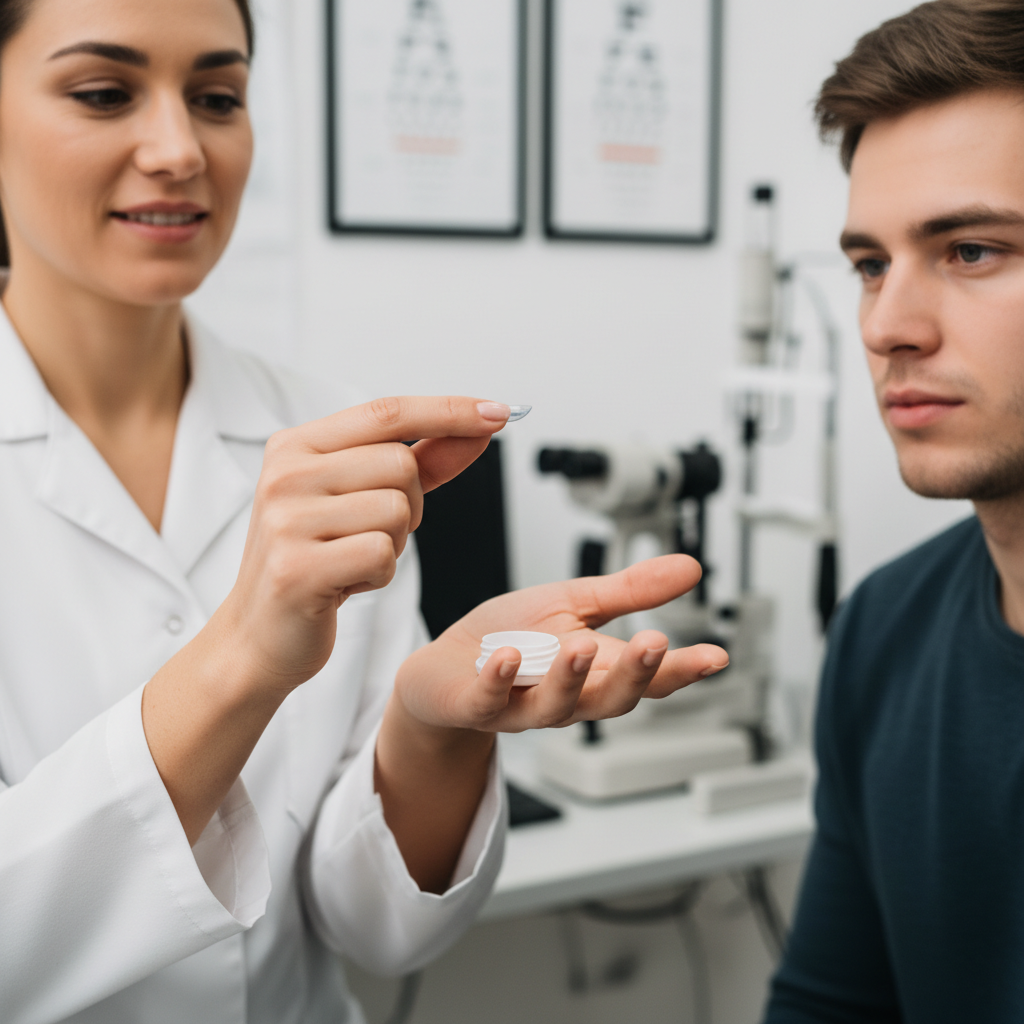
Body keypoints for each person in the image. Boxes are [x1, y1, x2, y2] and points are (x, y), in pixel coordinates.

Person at [0, 1, 731, 1021]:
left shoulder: (325, 444)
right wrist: (243, 658)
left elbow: (374, 928)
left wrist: (431, 728)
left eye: (218, 97)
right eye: (103, 92)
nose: (179, 150)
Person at [763, 1, 1024, 1020]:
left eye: (971, 251)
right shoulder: (882, 630)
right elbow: (829, 1003)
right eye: (871, 265)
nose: (886, 326)